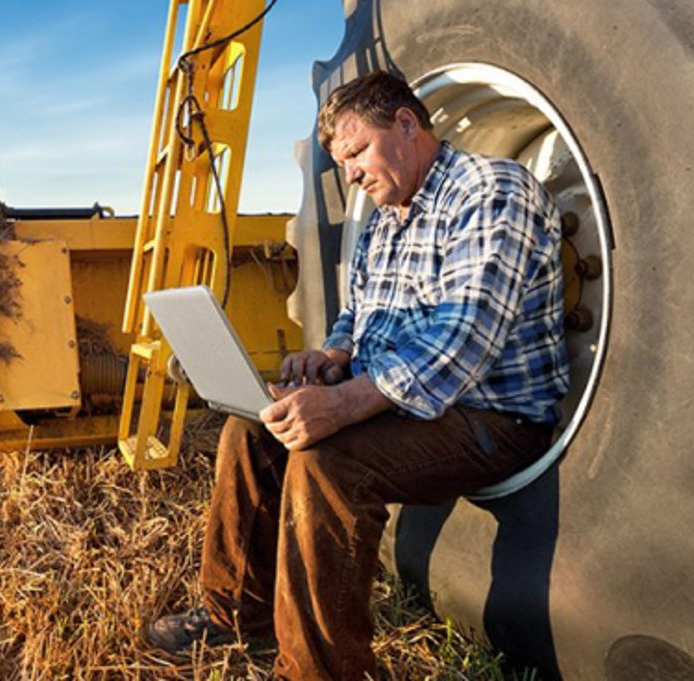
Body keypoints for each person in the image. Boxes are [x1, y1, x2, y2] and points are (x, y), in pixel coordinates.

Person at [146, 70, 570, 680]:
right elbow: (361, 310)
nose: (350, 174)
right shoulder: (386, 218)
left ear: (405, 124)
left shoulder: (491, 191)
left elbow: (461, 342)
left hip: (489, 418)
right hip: (409, 409)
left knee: (326, 463)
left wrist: (342, 405)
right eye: (342, 161)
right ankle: (233, 613)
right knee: (251, 432)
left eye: (355, 152)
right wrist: (334, 356)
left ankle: (318, 671)